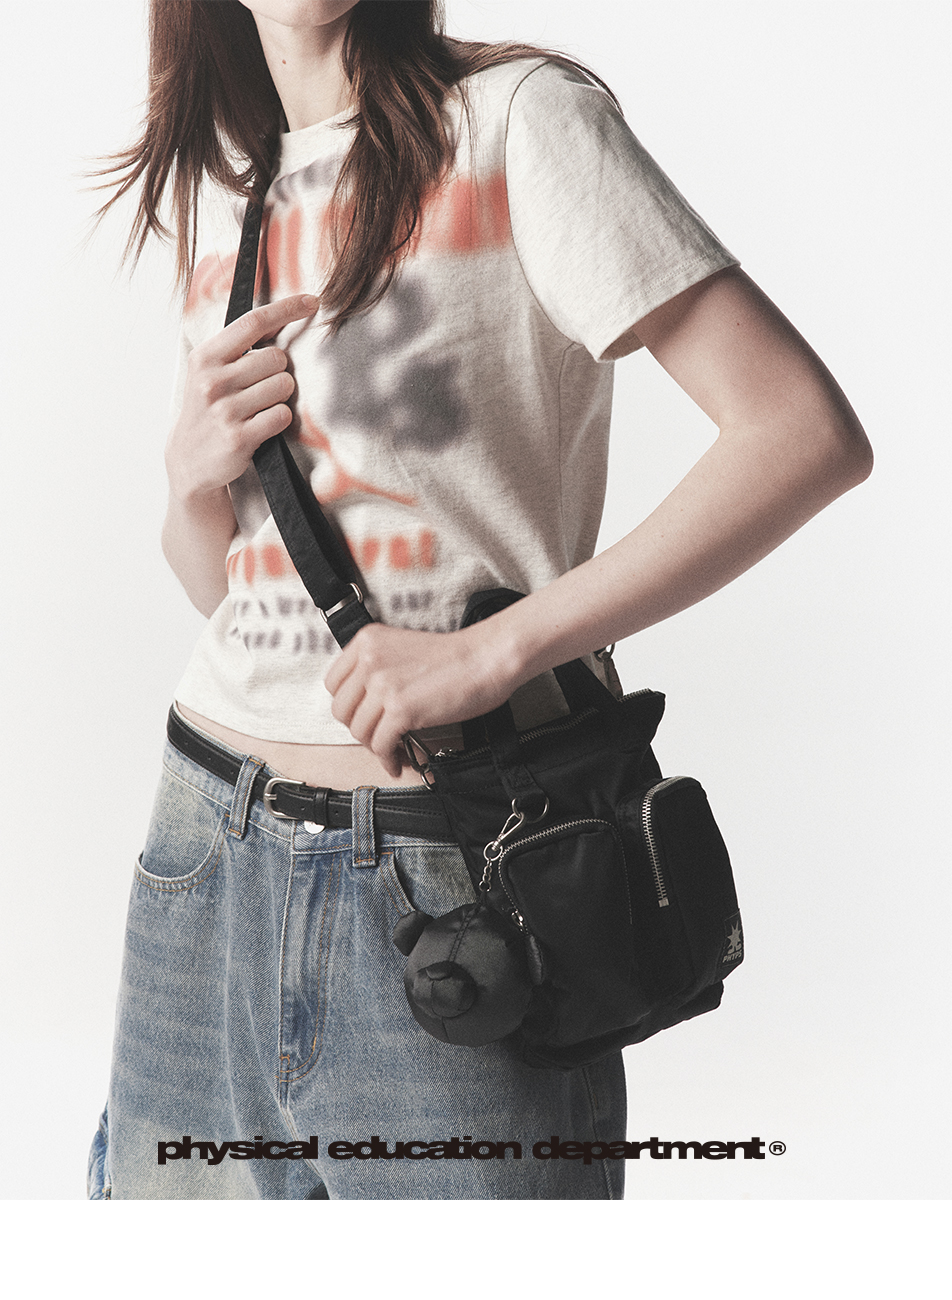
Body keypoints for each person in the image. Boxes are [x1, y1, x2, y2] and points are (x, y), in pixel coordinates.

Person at [88, 0, 872, 1201]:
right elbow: (234, 596)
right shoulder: (242, 195)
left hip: (450, 866)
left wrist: (497, 650)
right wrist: (190, 480)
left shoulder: (518, 124)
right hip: (203, 849)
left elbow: (801, 433)